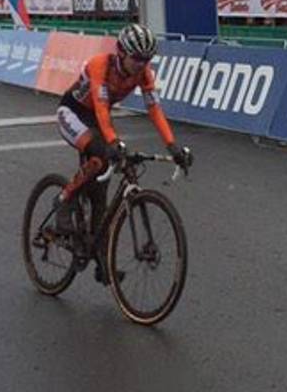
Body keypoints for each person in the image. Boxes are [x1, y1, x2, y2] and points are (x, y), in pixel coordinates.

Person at [50, 24, 189, 284]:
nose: (141, 64)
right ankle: (64, 199)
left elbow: (154, 110)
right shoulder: (100, 65)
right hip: (73, 113)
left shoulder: (144, 74)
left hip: (97, 120)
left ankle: (100, 259)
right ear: (122, 52)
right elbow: (102, 107)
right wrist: (114, 142)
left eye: (147, 59)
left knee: (100, 195)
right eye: (137, 58)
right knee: (101, 155)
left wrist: (172, 145)